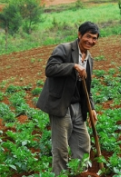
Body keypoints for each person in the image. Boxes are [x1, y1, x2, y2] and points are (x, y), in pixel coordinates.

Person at [37, 21, 99, 175]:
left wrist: (91, 108)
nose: (91, 41)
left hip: (78, 106)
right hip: (60, 105)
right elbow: (50, 69)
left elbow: (87, 88)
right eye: (88, 36)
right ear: (79, 35)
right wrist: (73, 66)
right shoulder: (64, 49)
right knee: (61, 149)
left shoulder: (89, 59)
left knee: (83, 143)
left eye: (94, 38)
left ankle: (81, 173)